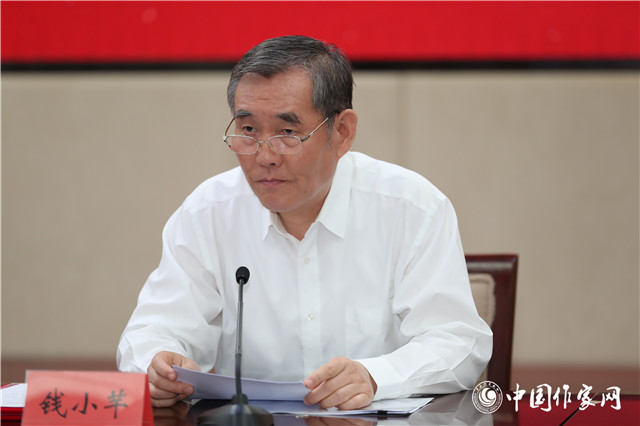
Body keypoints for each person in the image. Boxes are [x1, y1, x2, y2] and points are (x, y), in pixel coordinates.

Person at [117, 35, 492, 410]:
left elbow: (457, 342)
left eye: (287, 132)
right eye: (248, 130)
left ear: (342, 132)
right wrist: (157, 365)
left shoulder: (411, 208)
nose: (265, 156)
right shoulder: (208, 213)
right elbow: (151, 332)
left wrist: (375, 376)